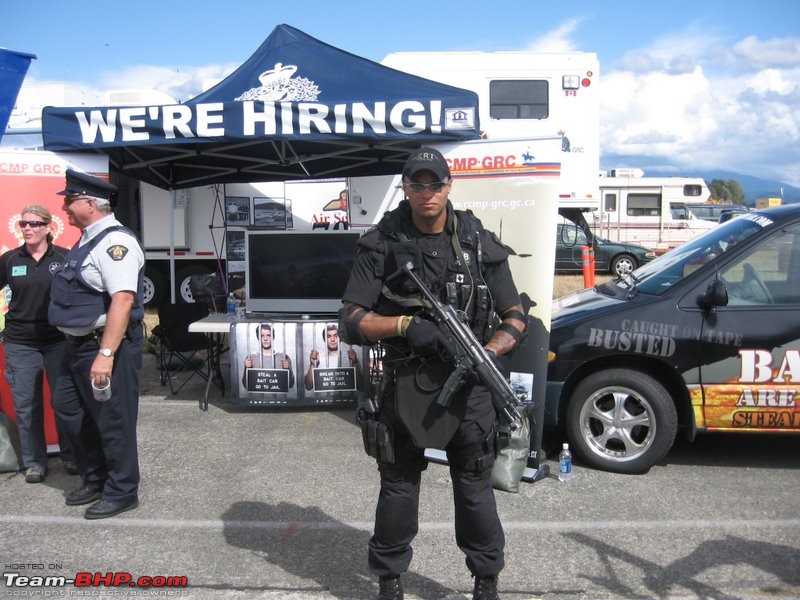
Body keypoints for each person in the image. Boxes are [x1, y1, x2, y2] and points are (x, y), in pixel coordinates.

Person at [340, 147, 526, 600]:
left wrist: (484, 354)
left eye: (435, 184)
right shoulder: (381, 243)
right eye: (417, 184)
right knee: (399, 487)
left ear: (449, 186)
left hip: (472, 389)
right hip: (406, 382)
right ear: (405, 187)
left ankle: (486, 580)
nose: (427, 193)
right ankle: (390, 579)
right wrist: (405, 325)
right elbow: (349, 321)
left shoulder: (478, 242)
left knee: (475, 488)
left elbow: (515, 316)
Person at [48, 169, 145, 520]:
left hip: (103, 349)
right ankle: (95, 477)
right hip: (74, 348)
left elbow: (122, 300)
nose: (64, 208)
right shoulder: (86, 239)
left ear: (90, 203)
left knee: (112, 420)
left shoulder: (114, 243)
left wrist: (106, 354)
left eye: (69, 201)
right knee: (71, 412)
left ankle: (122, 490)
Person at [0, 205, 76, 483]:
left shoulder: (65, 257)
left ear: (48, 227)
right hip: (20, 342)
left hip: (58, 340)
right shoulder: (9, 259)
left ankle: (71, 455)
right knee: (27, 404)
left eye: (34, 223)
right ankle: (34, 462)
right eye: (23, 224)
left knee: (64, 400)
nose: (28, 228)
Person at [303, 322, 362, 391]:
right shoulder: (317, 358)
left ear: (341, 339)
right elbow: (308, 386)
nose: (333, 339)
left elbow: (361, 387)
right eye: (329, 336)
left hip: (346, 400)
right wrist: (312, 364)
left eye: (336, 336)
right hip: (324, 400)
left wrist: (355, 363)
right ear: (324, 340)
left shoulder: (350, 357)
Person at [242, 323, 295, 389]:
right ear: (258, 338)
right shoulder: (250, 358)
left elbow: (291, 384)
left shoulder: (284, 357)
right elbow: (246, 385)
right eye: (262, 336)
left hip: (279, 399)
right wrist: (247, 368)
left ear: (273, 337)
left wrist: (287, 369)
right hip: (257, 399)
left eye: (268, 335)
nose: (265, 339)